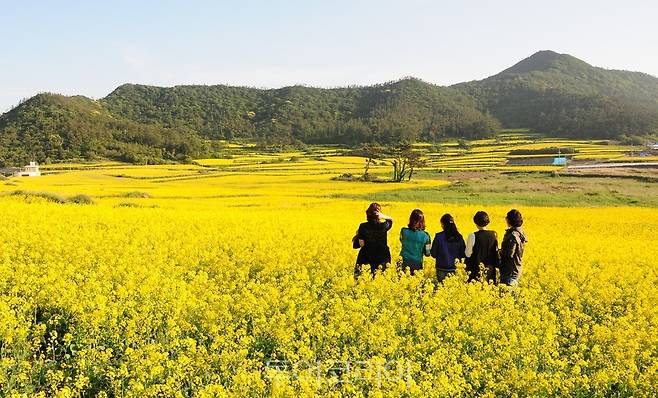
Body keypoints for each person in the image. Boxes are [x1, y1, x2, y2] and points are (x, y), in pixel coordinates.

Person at [353, 203, 393, 277]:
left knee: (361, 278)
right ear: (378, 215)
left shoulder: (363, 226)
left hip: (367, 256)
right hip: (382, 257)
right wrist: (382, 215)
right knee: (381, 278)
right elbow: (391, 220)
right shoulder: (384, 226)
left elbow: (362, 244)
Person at [465, 211, 499, 283]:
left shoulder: (472, 236)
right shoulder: (494, 234)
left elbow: (468, 254)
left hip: (475, 270)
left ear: (475, 222)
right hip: (490, 271)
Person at [430, 214, 466, 282]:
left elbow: (433, 254)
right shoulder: (459, 237)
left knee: (441, 289)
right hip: (456, 269)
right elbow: (463, 254)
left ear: (443, 224)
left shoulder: (438, 236)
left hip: (441, 269)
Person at [399, 209, 431, 275]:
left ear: (411, 219)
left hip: (403, 262)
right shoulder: (426, 236)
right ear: (422, 221)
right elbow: (428, 253)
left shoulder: (403, 231)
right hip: (416, 264)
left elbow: (402, 241)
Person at [500, 209, 528, 286]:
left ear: (509, 220)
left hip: (509, 271)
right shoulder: (520, 232)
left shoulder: (513, 235)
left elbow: (509, 254)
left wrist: (498, 252)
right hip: (516, 269)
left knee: (507, 296)